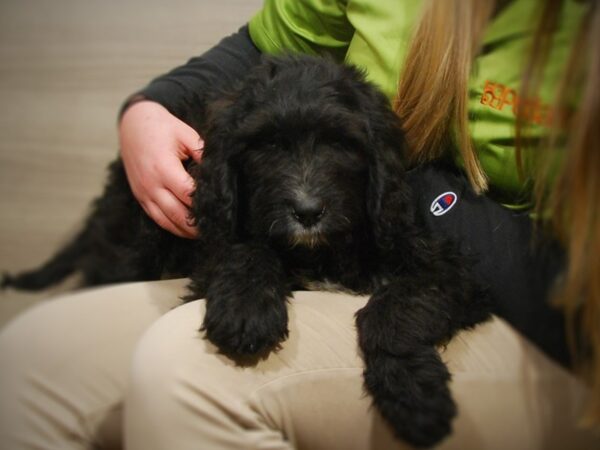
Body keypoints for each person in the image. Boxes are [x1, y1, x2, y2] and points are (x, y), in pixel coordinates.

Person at [0, 0, 598, 448]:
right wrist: (150, 106)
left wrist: (428, 202)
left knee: (184, 369)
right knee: (33, 357)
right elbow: (258, 47)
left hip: (555, 326)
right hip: (365, 251)